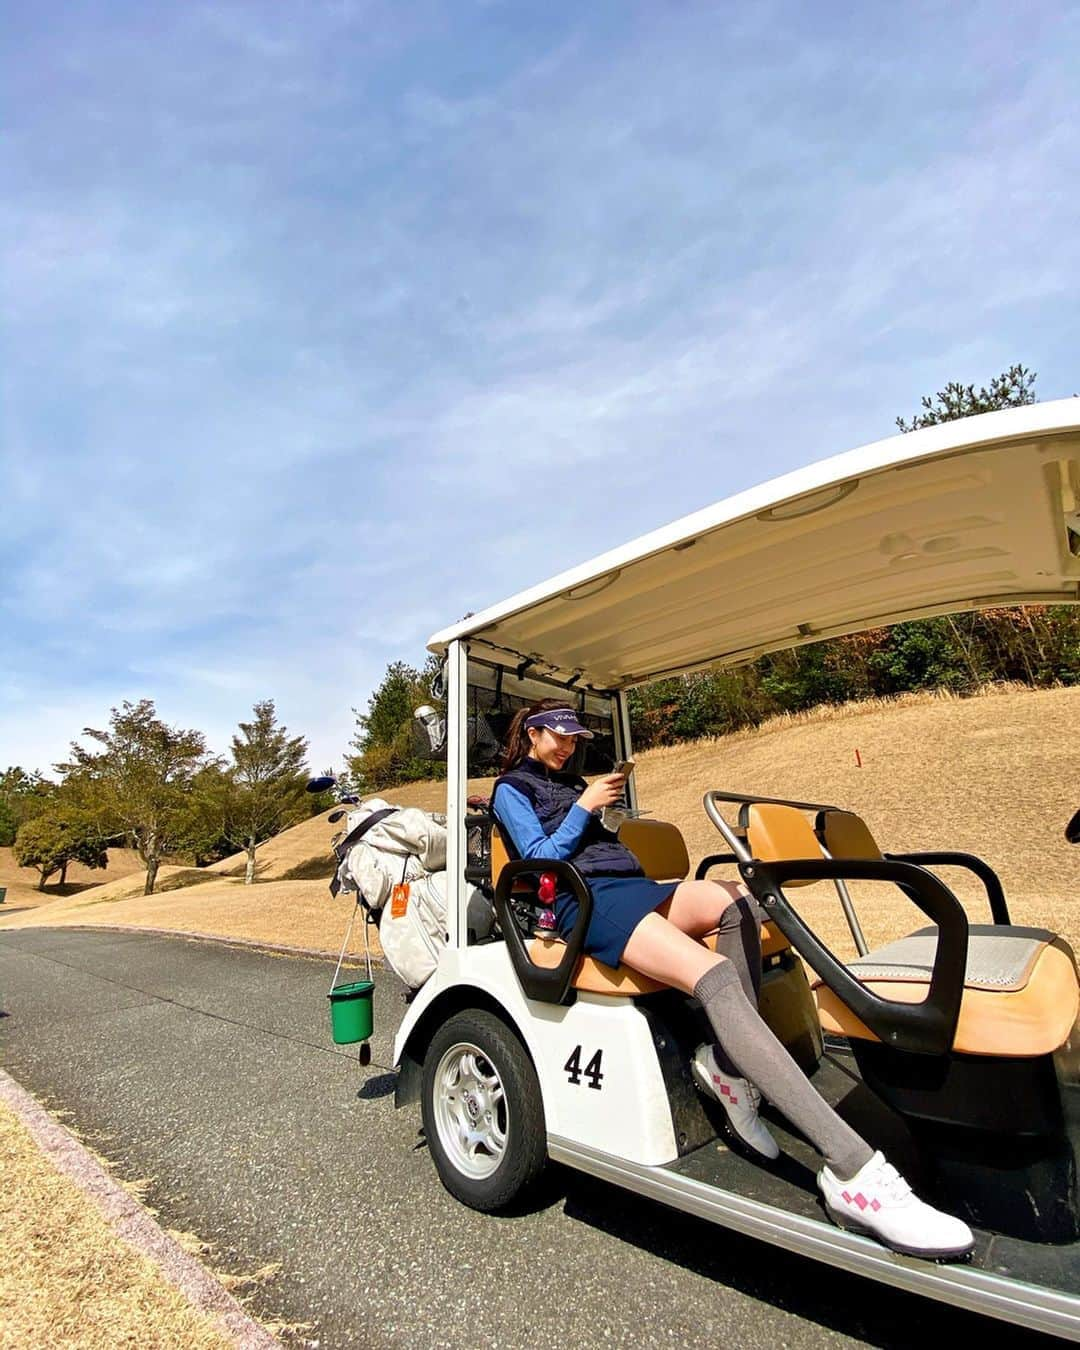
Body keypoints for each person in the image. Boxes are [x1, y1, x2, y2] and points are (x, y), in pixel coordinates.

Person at [492, 697, 974, 1260]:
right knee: (713, 974)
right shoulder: (511, 788)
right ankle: (852, 1171)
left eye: (576, 737)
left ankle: (726, 1062)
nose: (571, 744)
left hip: (629, 886)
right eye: (561, 736)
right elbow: (539, 856)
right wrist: (585, 808)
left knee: (743, 903)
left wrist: (604, 811)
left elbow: (602, 840)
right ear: (533, 734)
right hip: (584, 899)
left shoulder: (573, 780)